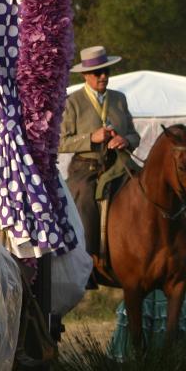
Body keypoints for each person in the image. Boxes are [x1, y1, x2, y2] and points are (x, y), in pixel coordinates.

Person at [60, 45, 140, 259]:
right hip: (86, 167)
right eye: (97, 72)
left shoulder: (119, 99)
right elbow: (61, 142)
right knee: (85, 198)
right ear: (86, 75)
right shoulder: (72, 102)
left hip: (120, 163)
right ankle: (87, 258)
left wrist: (125, 140)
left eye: (107, 71)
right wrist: (91, 139)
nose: (103, 76)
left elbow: (135, 135)